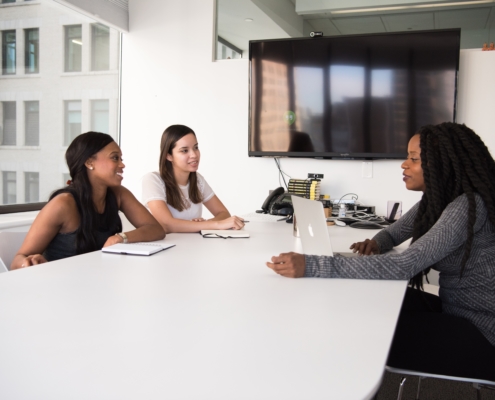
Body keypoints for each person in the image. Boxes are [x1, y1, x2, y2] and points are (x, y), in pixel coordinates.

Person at [267, 122, 495, 380]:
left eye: (413, 158)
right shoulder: (437, 202)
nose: (403, 164)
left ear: (444, 164)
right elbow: (394, 232)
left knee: (365, 330)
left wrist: (312, 265)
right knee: (369, 301)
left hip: (482, 333)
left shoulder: (466, 206)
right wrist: (377, 243)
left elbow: (404, 265)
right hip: (456, 311)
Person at [11, 132, 165, 270]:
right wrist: (28, 262)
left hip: (97, 281)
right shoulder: (63, 204)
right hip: (61, 287)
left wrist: (120, 238)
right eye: (114, 157)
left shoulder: (118, 194)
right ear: (89, 162)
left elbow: (156, 229)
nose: (122, 164)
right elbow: (17, 261)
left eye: (121, 158)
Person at [142, 124, 244, 233]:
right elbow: (167, 224)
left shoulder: (198, 180)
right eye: (184, 150)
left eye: (196, 147)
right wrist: (211, 225)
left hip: (193, 245)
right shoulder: (153, 180)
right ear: (169, 156)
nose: (194, 155)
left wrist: (203, 225)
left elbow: (223, 213)